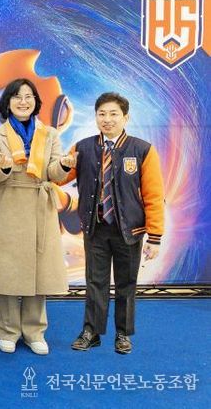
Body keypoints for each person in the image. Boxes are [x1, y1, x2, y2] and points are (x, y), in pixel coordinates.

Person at [0, 78, 75, 355]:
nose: (23, 102)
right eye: (17, 97)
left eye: (28, 97)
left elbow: (54, 173)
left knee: (39, 272)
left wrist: (64, 165)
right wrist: (4, 166)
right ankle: (8, 331)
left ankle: (35, 332)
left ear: (36, 102)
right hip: (9, 202)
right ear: (7, 102)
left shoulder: (49, 134)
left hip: (40, 203)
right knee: (9, 269)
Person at [65, 92, 164, 354]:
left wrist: (154, 237)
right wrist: (63, 165)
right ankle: (91, 332)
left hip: (128, 230)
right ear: (95, 116)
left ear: (125, 117)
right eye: (102, 114)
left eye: (113, 114)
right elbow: (60, 177)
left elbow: (154, 195)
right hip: (95, 227)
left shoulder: (142, 150)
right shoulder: (82, 147)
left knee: (126, 284)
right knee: (94, 282)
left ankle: (123, 334)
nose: (107, 119)